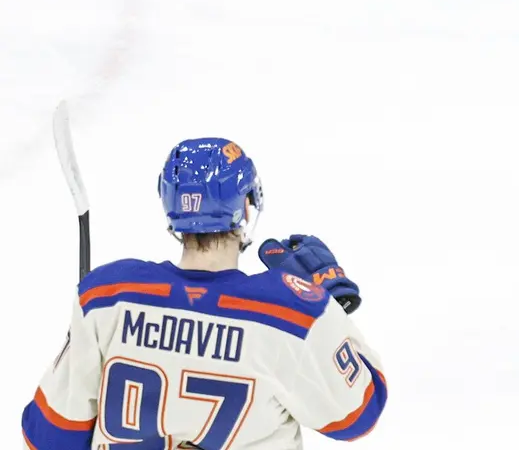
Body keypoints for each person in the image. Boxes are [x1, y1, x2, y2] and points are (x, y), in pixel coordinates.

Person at [21, 138, 388, 449]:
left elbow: (50, 435)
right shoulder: (291, 313)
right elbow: (357, 415)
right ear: (246, 207)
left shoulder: (107, 295)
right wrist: (325, 306)